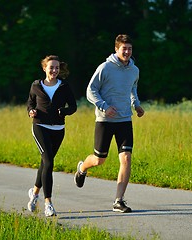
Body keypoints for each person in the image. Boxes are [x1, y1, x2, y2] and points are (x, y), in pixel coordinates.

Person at [74, 34, 145, 213]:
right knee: (99, 160)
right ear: (116, 49)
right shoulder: (105, 67)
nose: (127, 52)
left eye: (129, 48)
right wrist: (104, 106)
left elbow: (132, 89)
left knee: (126, 158)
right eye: (124, 49)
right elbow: (91, 90)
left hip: (124, 120)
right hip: (105, 120)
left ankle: (118, 200)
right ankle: (82, 168)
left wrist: (136, 105)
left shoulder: (134, 70)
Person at [27, 55, 77, 217]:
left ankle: (34, 193)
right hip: (40, 126)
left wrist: (65, 111)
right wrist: (31, 111)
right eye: (51, 67)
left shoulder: (64, 86)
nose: (54, 70)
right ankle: (48, 203)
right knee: (49, 161)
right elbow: (30, 103)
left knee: (45, 163)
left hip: (58, 128)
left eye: (57, 68)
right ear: (44, 68)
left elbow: (73, 106)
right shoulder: (36, 85)